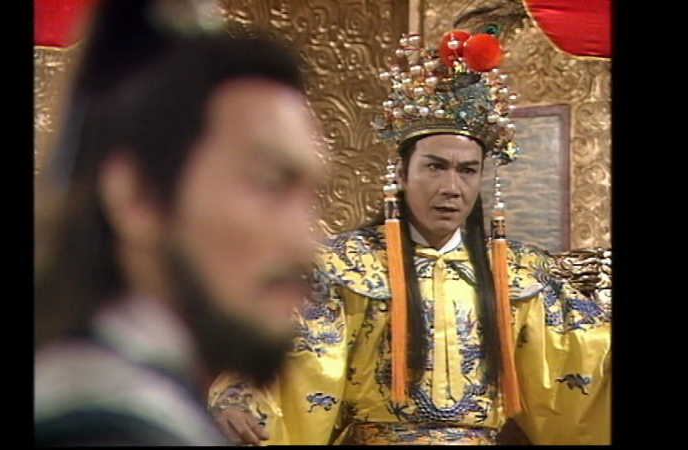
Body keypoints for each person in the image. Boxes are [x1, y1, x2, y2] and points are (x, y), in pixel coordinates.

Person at [208, 30, 611, 445]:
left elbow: (583, 361)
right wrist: (241, 400)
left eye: (467, 171)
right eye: (435, 167)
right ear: (401, 174)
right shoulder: (347, 266)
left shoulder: (517, 275)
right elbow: (294, 352)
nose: (451, 187)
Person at [34, 0, 324, 445]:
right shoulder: (99, 428)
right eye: (270, 184)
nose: (306, 244)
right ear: (138, 196)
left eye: (310, 198)